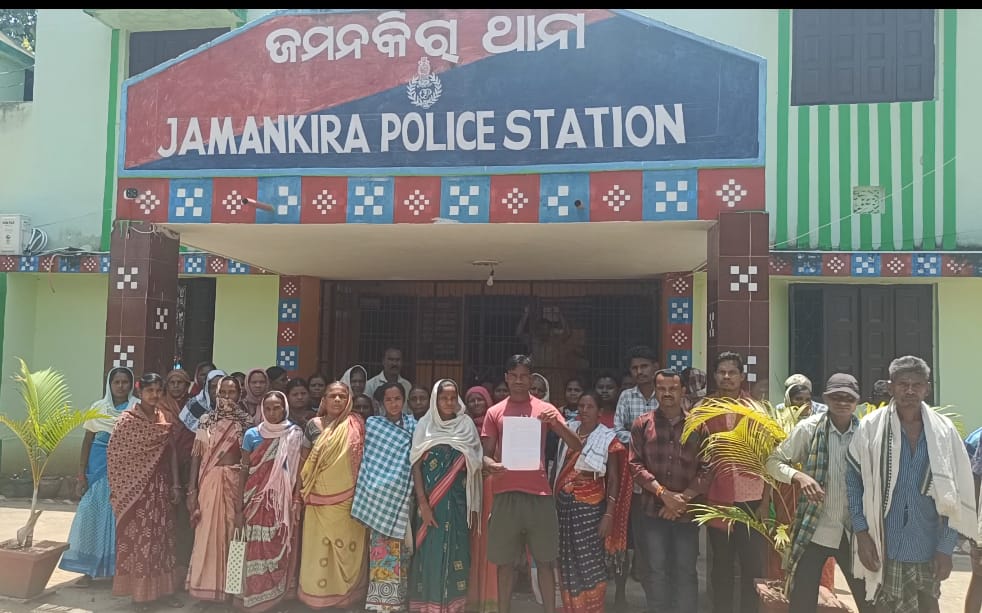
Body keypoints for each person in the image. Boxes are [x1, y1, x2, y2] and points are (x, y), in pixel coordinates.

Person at [847, 356, 976, 612]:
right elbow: (853, 482)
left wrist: (946, 548)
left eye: (916, 384)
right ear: (890, 387)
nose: (909, 391)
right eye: (902, 384)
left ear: (927, 389)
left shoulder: (944, 432)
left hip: (927, 546)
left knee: (929, 607)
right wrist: (862, 535)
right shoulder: (871, 428)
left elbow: (956, 494)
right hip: (883, 544)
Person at [481, 355, 582, 613]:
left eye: (523, 376)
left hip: (539, 495)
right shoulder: (494, 412)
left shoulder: (545, 409)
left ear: (531, 379)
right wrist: (491, 465)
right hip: (505, 494)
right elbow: (485, 455)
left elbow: (576, 444)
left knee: (546, 562)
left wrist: (555, 423)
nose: (518, 381)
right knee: (504, 564)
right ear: (506, 377)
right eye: (514, 376)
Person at [764, 373, 873, 613]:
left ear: (857, 401)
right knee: (802, 603)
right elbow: (773, 462)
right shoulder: (809, 429)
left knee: (869, 602)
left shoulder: (867, 433)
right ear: (826, 398)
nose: (842, 402)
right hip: (814, 528)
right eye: (836, 397)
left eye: (848, 398)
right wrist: (800, 476)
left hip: (854, 531)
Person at [629, 369, 710, 612]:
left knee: (685, 570)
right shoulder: (642, 424)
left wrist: (681, 500)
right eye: (662, 389)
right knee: (656, 570)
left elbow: (708, 468)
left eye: (672, 389)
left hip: (687, 513)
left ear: (683, 391)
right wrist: (664, 495)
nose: (667, 393)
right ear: (655, 391)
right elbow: (635, 465)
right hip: (652, 512)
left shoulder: (698, 427)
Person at [106, 372, 183, 610]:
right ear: (139, 392)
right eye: (150, 390)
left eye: (159, 390)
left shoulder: (163, 418)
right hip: (136, 492)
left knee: (162, 540)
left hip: (160, 489)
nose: (155, 395)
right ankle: (140, 596)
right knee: (141, 541)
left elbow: (171, 452)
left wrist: (176, 484)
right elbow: (115, 456)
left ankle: (164, 591)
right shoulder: (127, 421)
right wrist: (130, 484)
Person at [409, 379, 484, 613]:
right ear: (436, 399)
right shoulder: (425, 425)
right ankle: (429, 605)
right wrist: (423, 504)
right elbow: (416, 466)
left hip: (459, 503)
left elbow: (476, 460)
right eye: (444, 398)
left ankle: (454, 606)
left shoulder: (466, 425)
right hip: (431, 504)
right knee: (430, 553)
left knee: (458, 550)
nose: (449, 402)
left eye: (453, 397)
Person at [554, 390, 631, 613]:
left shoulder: (607, 437)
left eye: (589, 407)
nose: (584, 410)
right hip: (564, 505)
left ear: (600, 412)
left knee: (590, 561)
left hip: (591, 508)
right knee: (567, 558)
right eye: (581, 406)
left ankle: (593, 608)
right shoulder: (568, 432)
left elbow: (613, 478)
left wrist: (609, 513)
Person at [60, 367, 138, 585]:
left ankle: (116, 572)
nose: (121, 386)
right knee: (90, 516)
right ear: (109, 385)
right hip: (97, 471)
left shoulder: (136, 408)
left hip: (124, 474)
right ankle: (88, 570)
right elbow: (87, 441)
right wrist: (81, 474)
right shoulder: (98, 408)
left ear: (131, 385)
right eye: (116, 382)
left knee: (118, 519)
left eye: (125, 382)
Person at [704, 351, 766, 613]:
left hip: (752, 498)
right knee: (722, 564)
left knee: (752, 565)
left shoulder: (757, 409)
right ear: (715, 376)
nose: (726, 377)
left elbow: (769, 456)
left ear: (742, 376)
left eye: (732, 372)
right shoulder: (704, 409)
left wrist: (766, 502)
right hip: (719, 496)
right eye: (722, 372)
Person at [298, 381, 368, 609]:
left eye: (342, 396)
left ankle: (347, 595)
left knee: (346, 548)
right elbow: (303, 460)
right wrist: (298, 494)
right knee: (317, 548)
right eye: (332, 396)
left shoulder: (356, 425)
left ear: (349, 400)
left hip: (348, 500)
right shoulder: (313, 425)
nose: (337, 400)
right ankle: (317, 596)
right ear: (324, 400)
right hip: (316, 498)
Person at [235, 391, 303, 613]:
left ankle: (275, 598)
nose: (272, 413)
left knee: (277, 544)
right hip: (254, 500)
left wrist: (295, 498)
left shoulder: (294, 434)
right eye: (268, 408)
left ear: (284, 409)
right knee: (253, 546)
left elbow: (297, 472)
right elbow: (244, 470)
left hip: (280, 504)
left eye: (277, 408)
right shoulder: (252, 434)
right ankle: (252, 597)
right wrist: (238, 507)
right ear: (262, 410)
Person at [351, 381, 417, 612]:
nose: (394, 403)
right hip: (378, 501)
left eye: (397, 399)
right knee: (379, 550)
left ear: (404, 400)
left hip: (402, 499)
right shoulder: (373, 424)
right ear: (380, 403)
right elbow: (370, 459)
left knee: (402, 551)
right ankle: (379, 602)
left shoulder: (414, 425)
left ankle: (398, 601)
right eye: (388, 400)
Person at [186, 376, 252, 604]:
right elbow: (197, 456)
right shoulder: (206, 420)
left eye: (231, 392)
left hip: (235, 483)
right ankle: (205, 589)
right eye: (222, 392)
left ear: (239, 395)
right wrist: (191, 490)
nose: (226, 397)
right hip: (209, 482)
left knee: (233, 536)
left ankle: (231, 591)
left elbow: (247, 459)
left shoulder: (246, 423)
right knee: (206, 535)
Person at [613, 346, 661, 590]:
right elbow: (618, 429)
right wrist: (641, 443)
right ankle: (643, 579)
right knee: (640, 533)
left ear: (655, 367)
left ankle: (659, 583)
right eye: (634, 368)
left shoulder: (665, 393)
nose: (639, 371)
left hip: (665, 476)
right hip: (635, 478)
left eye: (644, 366)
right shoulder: (626, 396)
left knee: (661, 535)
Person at [463, 386, 498, 613]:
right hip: (469, 488)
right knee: (471, 540)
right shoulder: (463, 427)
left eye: (480, 400)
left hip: (491, 487)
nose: (476, 404)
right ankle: (472, 596)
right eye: (472, 400)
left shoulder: (495, 424)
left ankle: (489, 597)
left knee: (489, 538)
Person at [160, 368, 195, 585]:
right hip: (163, 467)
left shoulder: (194, 406)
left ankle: (182, 570)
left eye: (180, 382)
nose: (175, 386)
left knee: (184, 521)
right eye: (172, 382)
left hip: (189, 468)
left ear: (187, 385)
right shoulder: (159, 406)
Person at [365, 348, 413, 412]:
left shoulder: (407, 385)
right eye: (391, 359)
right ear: (383, 361)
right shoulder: (370, 385)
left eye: (398, 360)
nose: (394, 363)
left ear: (402, 362)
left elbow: (410, 411)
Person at [179, 368, 226, 433]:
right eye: (213, 386)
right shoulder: (194, 405)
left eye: (221, 386)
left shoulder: (233, 407)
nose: (217, 390)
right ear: (207, 388)